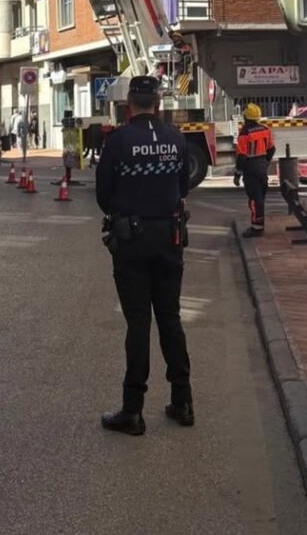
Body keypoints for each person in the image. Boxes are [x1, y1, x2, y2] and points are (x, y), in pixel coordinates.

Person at [96, 76, 192, 436]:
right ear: (157, 103)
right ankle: (183, 401)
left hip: (132, 242)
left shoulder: (118, 142)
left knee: (138, 323)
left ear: (129, 104)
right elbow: (183, 187)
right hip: (170, 238)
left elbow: (104, 195)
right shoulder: (176, 139)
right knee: (170, 318)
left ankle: (133, 410)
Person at [235, 103, 275, 239]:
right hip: (262, 168)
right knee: (260, 198)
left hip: (250, 169)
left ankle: (257, 228)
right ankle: (259, 224)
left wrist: (237, 174)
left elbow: (241, 157)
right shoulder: (265, 129)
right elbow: (271, 149)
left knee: (254, 199)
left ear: (246, 117)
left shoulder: (244, 134)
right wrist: (266, 162)